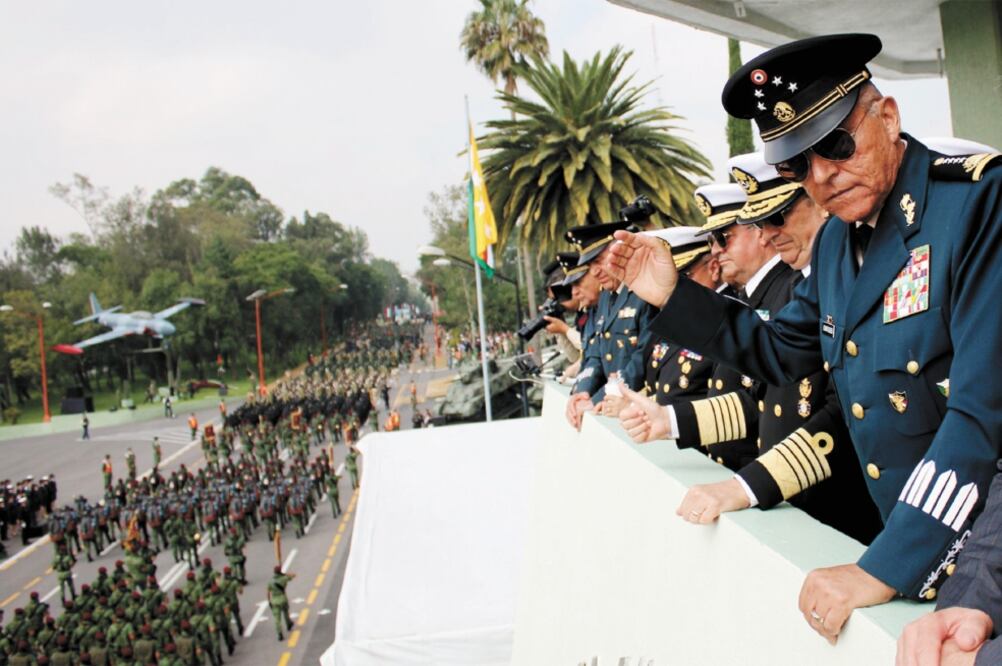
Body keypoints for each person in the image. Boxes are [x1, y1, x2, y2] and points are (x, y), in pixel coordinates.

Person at [604, 33, 1002, 644]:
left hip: (982, 556)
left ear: (887, 117)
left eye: (836, 144)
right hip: (915, 559)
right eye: (796, 165)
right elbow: (779, 351)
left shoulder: (977, 204)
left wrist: (884, 564)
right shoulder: (841, 241)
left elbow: (980, 413)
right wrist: (671, 295)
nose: (821, 177)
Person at [621, 154, 882, 545]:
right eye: (760, 220)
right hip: (795, 504)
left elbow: (843, 412)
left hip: (841, 509)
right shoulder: (811, 285)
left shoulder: (816, 281)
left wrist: (748, 486)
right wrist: (671, 421)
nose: (767, 233)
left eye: (778, 216)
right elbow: (761, 394)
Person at [564, 220, 657, 430]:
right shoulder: (606, 297)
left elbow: (642, 356)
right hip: (612, 409)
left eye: (599, 261)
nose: (595, 272)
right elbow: (596, 353)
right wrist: (584, 391)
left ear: (621, 251)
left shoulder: (643, 292)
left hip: (639, 411)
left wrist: (599, 398)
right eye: (590, 266)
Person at [267, 566, 295, 641]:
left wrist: (269, 601)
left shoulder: (270, 581)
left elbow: (268, 592)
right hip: (283, 598)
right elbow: (293, 575)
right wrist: (284, 574)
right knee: (286, 613)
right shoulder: (284, 578)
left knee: (277, 619)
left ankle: (279, 633)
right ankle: (288, 624)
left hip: (274, 601)